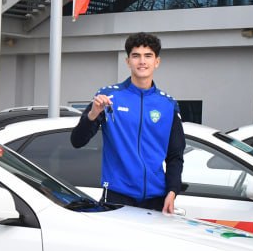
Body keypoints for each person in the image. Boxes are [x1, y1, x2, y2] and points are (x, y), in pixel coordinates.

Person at [70, 32, 185, 213]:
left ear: (157, 62)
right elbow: (77, 141)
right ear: (128, 61)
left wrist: (172, 191)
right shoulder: (108, 97)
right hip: (117, 196)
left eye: (148, 56)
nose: (142, 61)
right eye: (136, 56)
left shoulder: (168, 104)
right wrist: (92, 114)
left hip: (156, 200)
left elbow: (175, 156)